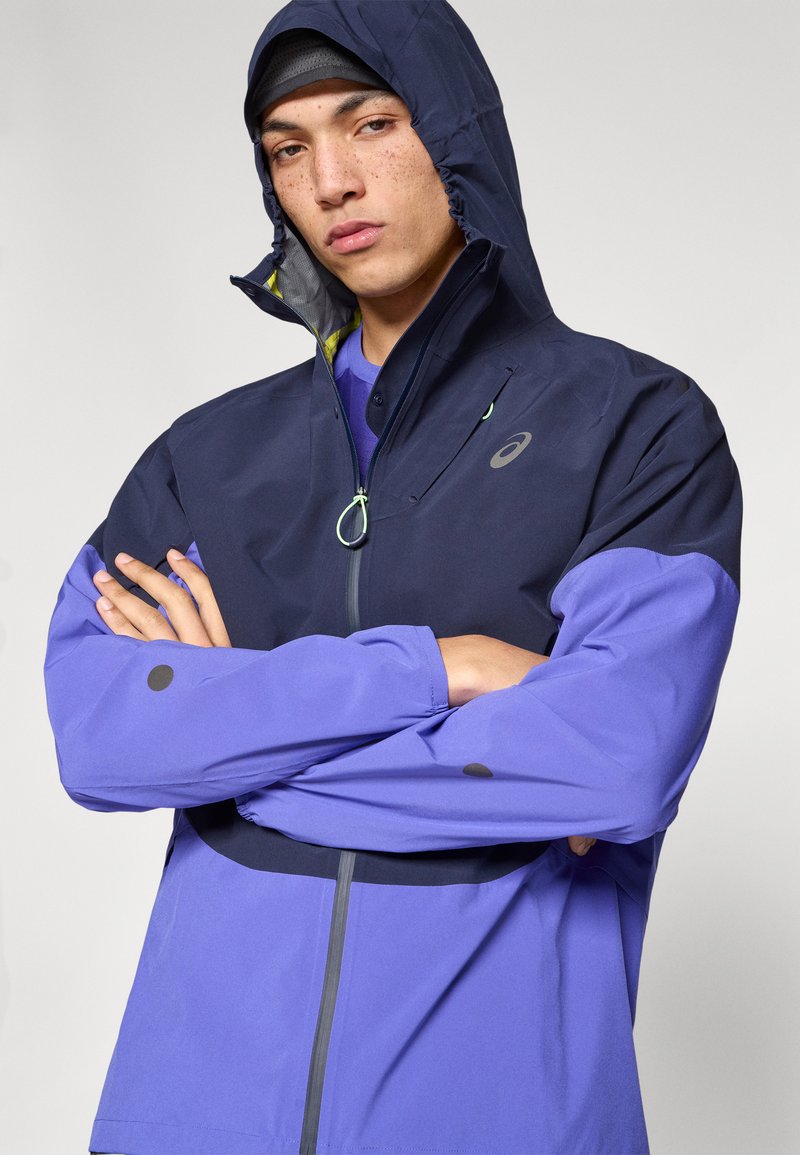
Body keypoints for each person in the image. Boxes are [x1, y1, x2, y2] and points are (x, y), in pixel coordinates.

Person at [43, 2, 742, 1154]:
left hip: (499, 1120)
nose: (330, 182)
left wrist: (234, 743)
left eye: (370, 123)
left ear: (455, 131)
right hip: (191, 1118)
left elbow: (613, 762)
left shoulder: (634, 429)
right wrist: (439, 669)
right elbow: (103, 742)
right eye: (287, 148)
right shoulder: (204, 459)